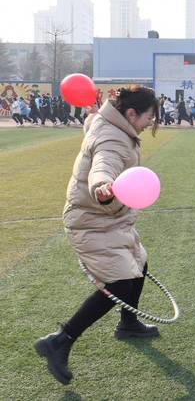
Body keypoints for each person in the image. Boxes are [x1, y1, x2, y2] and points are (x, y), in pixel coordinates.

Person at [34, 86, 161, 385]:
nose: (150, 123)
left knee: (139, 263)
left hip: (111, 217)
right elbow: (102, 165)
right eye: (148, 117)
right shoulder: (113, 138)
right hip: (92, 219)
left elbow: (92, 124)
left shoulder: (107, 121)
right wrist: (102, 186)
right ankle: (60, 340)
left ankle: (128, 323)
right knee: (120, 282)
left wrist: (91, 115)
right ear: (130, 114)